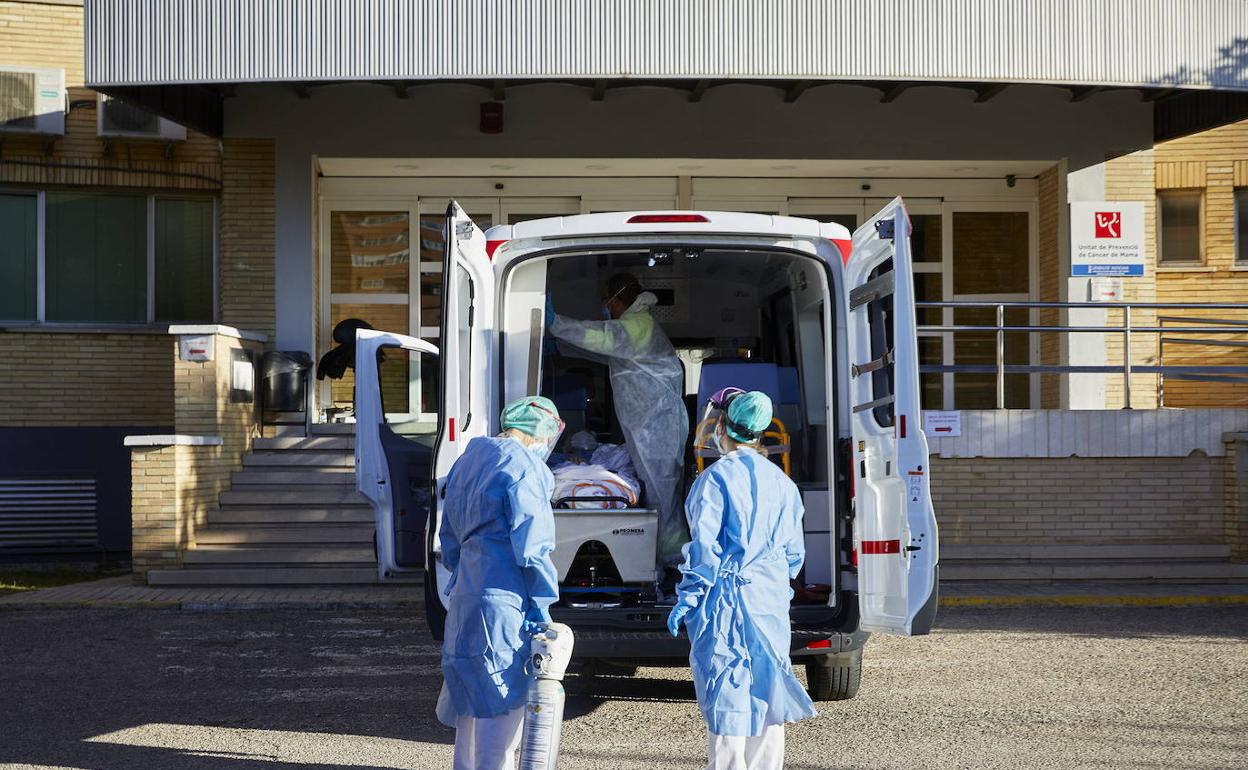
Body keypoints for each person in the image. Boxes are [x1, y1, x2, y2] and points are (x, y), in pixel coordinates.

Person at [667, 390, 816, 770]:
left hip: (725, 603)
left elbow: (705, 550)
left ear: (721, 425)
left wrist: (689, 595)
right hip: (768, 601)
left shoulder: (714, 480)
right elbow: (793, 557)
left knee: (727, 695)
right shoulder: (783, 483)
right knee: (768, 695)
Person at [438, 396, 564, 770]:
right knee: (500, 710)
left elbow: (450, 536)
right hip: (504, 599)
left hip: (465, 594)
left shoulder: (469, 460)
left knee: (470, 711)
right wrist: (542, 602)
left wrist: (468, 572)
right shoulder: (524, 467)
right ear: (541, 431)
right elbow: (532, 547)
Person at [546, 273, 690, 575]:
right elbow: (601, 349)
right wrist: (559, 344)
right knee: (658, 492)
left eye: (607, 303)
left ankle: (674, 563)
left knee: (663, 495)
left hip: (658, 426)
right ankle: (663, 558)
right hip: (650, 425)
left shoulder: (637, 326)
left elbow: (603, 337)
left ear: (616, 299)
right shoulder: (635, 329)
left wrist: (556, 323)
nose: (606, 309)